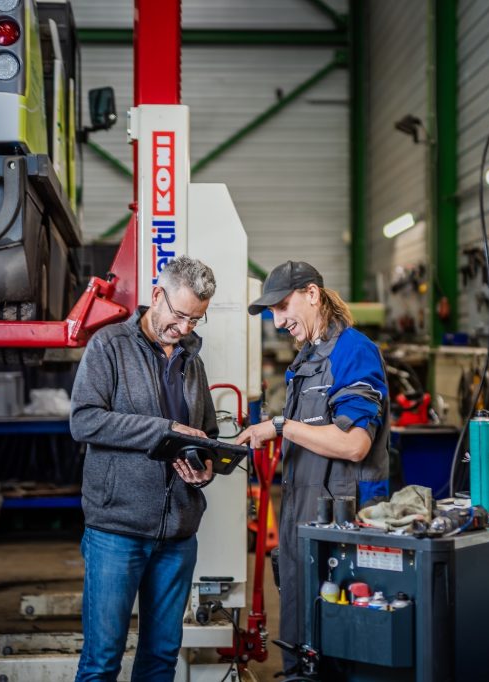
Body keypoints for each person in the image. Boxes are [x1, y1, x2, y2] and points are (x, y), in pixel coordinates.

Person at [70, 255, 219, 682]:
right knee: (102, 661)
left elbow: (204, 430)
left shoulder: (192, 359)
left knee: (160, 660)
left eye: (196, 319)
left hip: (177, 535)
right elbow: (84, 420)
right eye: (180, 315)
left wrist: (205, 466)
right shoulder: (109, 345)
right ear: (157, 296)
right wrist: (163, 429)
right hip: (116, 530)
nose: (187, 328)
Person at [236, 261, 389, 671]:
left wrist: (281, 426)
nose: (278, 320)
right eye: (272, 311)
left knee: (340, 647)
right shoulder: (306, 360)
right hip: (302, 519)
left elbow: (355, 445)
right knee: (300, 647)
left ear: (312, 294)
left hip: (345, 524)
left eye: (283, 306)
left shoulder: (353, 351)